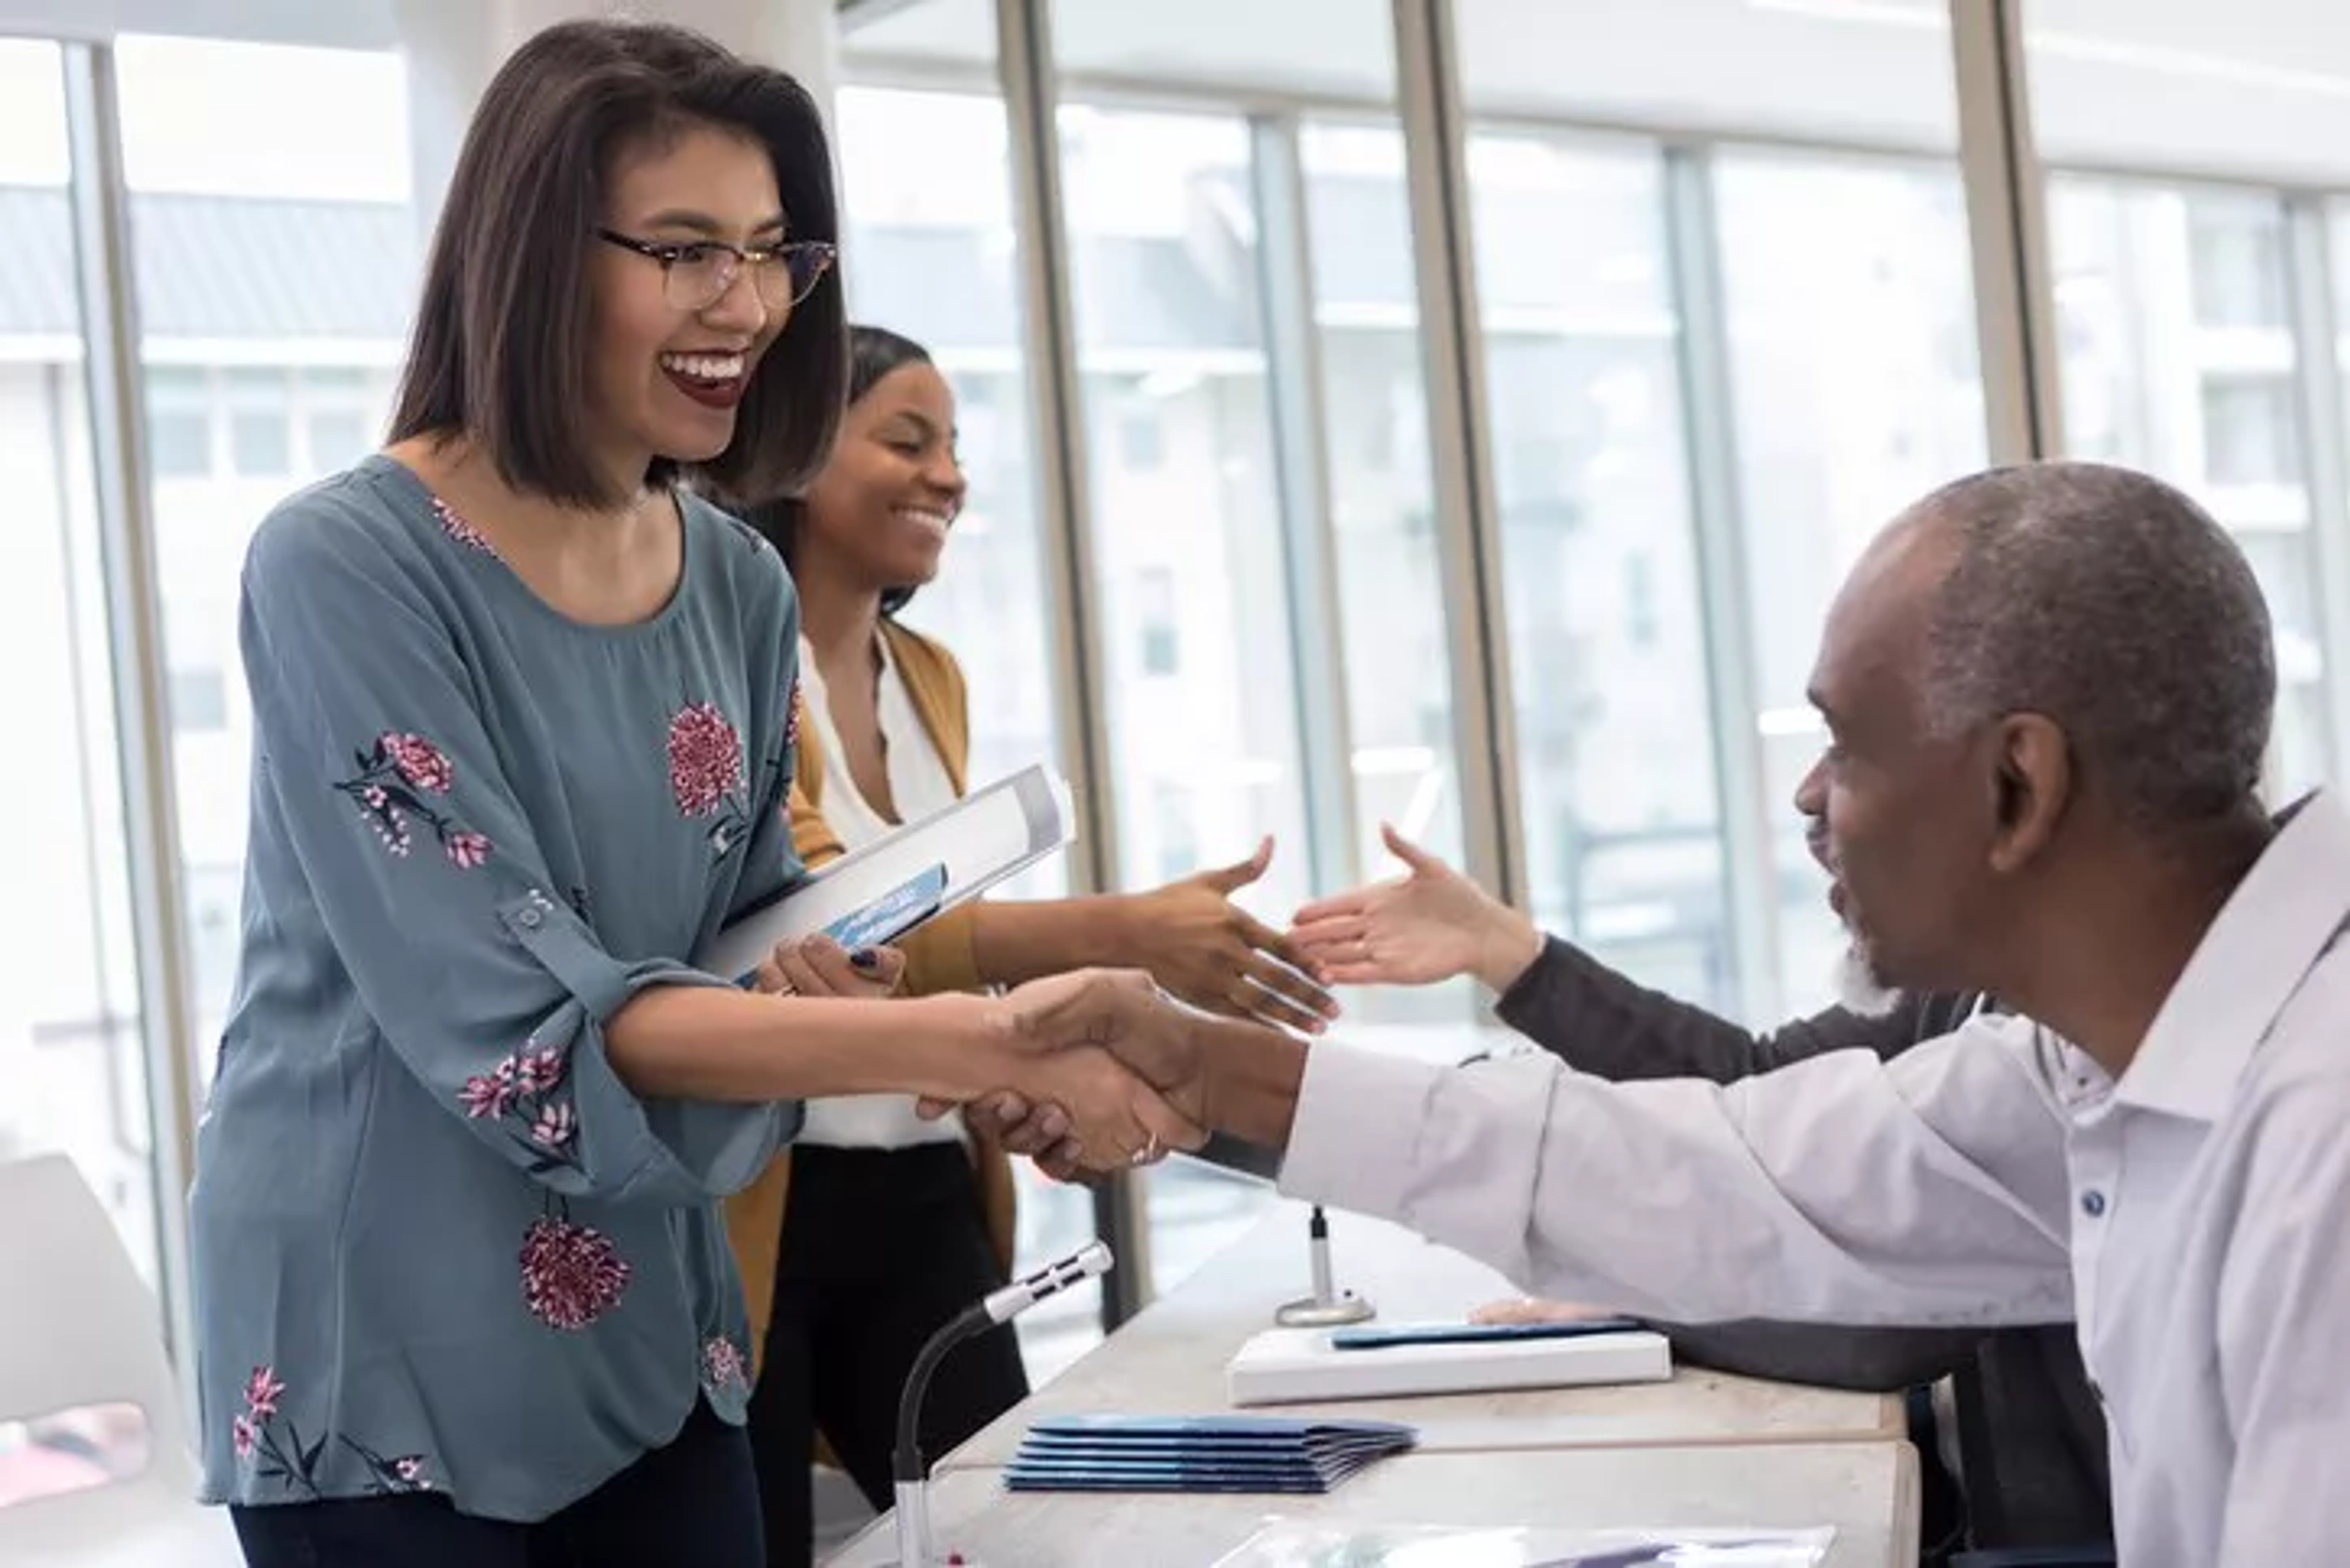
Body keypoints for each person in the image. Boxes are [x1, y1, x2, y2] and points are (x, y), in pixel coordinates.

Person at [187, 23, 1199, 1568]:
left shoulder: (731, 577)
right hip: (386, 1357)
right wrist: (986, 1031)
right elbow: (532, 1023)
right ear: (531, 256)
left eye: (770, 252)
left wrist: (851, 988)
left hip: (659, 1328)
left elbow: (731, 948)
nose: (745, 303)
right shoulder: (345, 564)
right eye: (684, 251)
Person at [1055, 461, 2350, 1566]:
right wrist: (1211, 1072)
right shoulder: (2090, 1068)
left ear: (2019, 785)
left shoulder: (2323, 1141)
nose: (1806, 798)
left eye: (1845, 745)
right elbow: (1729, 1172)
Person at [718, 324, 1334, 1566]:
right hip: (770, 1200)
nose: (948, 475)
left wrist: (1062, 1021)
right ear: (789, 451)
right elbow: (844, 925)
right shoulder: (727, 668)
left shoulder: (925, 670)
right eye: (908, 439)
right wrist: (1123, 930)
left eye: (953, 445)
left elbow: (937, 945)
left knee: (1006, 1531)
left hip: (927, 1184)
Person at [1279, 831, 2110, 1559]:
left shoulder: (2070, 1029)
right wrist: (1506, 947)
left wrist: (1646, 1294)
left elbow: (1899, 1324)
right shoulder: (1968, 986)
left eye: (1852, 750)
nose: (1808, 795)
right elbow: (1756, 1079)